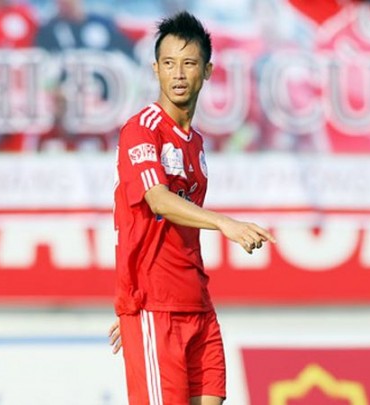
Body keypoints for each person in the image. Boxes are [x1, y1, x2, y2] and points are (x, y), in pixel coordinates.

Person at [107, 11, 275, 405]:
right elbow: (157, 199)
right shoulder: (142, 129)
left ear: (208, 70)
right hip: (155, 305)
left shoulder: (195, 142)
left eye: (188, 63)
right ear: (156, 70)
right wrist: (225, 223)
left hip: (197, 305)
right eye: (168, 63)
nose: (178, 74)